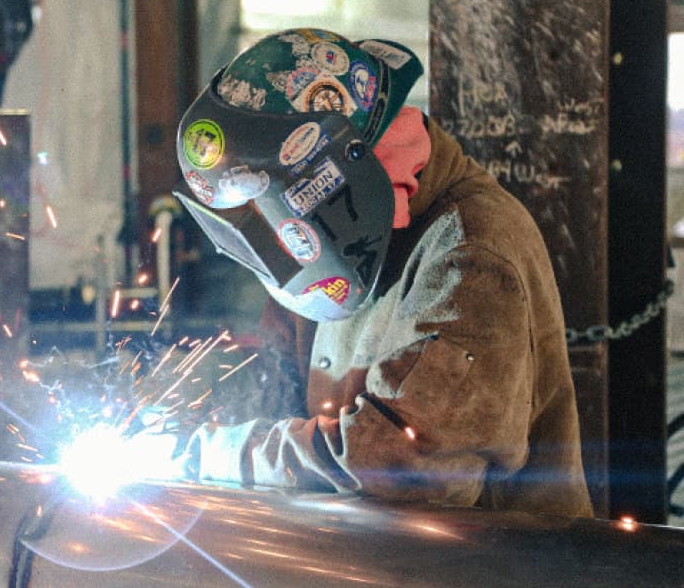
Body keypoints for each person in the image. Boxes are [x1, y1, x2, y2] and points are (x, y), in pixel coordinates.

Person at [169, 28, 593, 518]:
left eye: (273, 211)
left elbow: (405, 465)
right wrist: (182, 421)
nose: (274, 235)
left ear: (334, 174)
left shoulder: (473, 252)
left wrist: (216, 454)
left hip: (494, 567)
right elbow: (274, 380)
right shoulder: (326, 248)